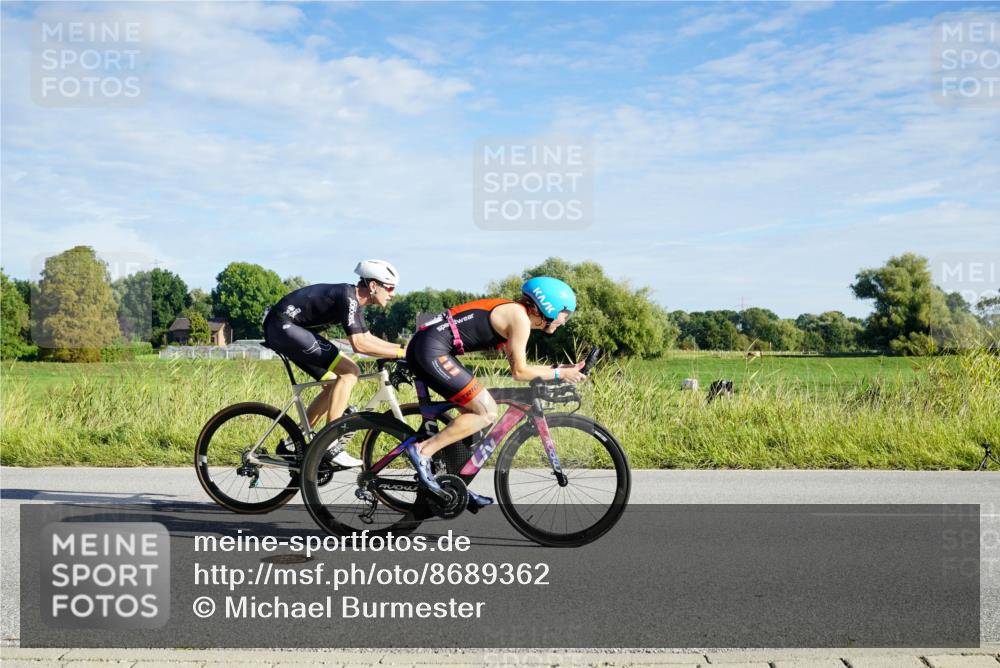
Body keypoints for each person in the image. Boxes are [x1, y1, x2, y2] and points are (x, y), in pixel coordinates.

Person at [402, 276, 587, 509]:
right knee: (486, 411)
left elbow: (520, 367)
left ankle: (452, 482)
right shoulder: (519, 318)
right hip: (430, 350)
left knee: (473, 424)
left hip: (431, 347)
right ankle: (422, 451)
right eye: (564, 313)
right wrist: (561, 374)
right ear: (548, 306)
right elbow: (520, 372)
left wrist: (561, 370)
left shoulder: (516, 314)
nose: (565, 321)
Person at [263, 260, 406, 467]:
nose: (393, 294)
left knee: (332, 384)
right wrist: (401, 352)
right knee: (350, 372)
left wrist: (402, 349)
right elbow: (359, 345)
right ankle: (330, 442)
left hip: (285, 329)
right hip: (283, 326)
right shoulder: (348, 298)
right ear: (374, 286)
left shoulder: (354, 302)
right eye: (390, 288)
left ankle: (293, 443)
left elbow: (367, 337)